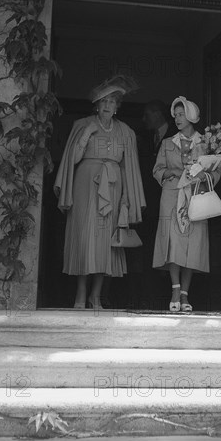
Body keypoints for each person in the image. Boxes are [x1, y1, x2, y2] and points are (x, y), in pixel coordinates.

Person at [54, 75, 146, 309]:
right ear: (96, 105)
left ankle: (96, 296)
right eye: (103, 101)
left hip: (114, 187)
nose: (107, 105)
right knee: (84, 238)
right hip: (86, 185)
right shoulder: (82, 125)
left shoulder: (126, 131)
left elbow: (128, 167)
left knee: (105, 242)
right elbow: (72, 160)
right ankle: (80, 295)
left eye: (112, 102)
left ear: (117, 107)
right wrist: (88, 134)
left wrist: (127, 197)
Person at [152, 96, 221, 312]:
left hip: (196, 197)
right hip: (171, 197)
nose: (177, 119)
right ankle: (175, 288)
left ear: (191, 116)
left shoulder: (206, 143)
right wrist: (170, 171)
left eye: (181, 115)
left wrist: (204, 175)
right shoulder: (167, 143)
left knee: (193, 243)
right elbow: (156, 171)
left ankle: (185, 294)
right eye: (175, 115)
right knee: (173, 242)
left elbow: (217, 171)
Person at [125, 100, 177, 309]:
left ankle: (167, 296)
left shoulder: (175, 134)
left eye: (147, 114)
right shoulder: (144, 138)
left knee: (170, 249)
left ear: (158, 114)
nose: (144, 119)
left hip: (171, 202)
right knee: (147, 251)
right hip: (147, 204)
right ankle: (146, 296)